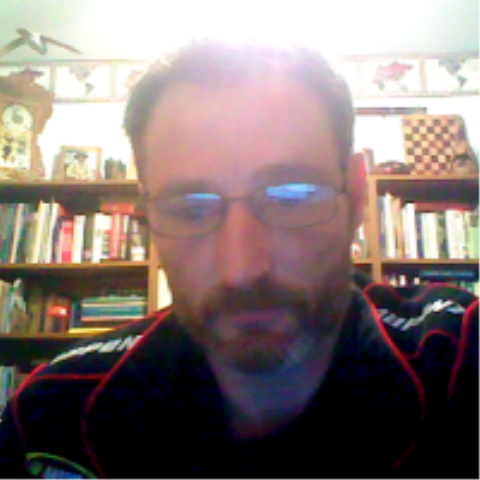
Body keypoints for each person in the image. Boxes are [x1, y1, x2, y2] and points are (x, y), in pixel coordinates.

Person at [0, 40, 478, 478]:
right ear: (148, 215)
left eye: (291, 198)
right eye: (191, 209)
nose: (242, 269)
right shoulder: (52, 417)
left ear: (355, 197)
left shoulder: (458, 360)